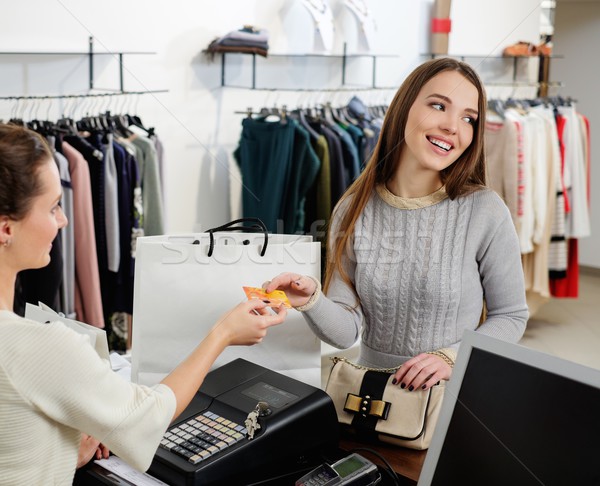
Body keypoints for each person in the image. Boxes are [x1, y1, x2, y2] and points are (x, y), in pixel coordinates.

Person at [0, 124, 287, 484]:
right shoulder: (41, 347)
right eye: (54, 206)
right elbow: (149, 413)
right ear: (6, 228)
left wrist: (56, 453)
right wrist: (223, 333)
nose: (64, 219)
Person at [265, 57, 528, 392]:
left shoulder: (484, 210)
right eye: (438, 105)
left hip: (449, 402)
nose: (453, 126)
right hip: (373, 401)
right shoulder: (353, 207)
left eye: (468, 118)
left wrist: (451, 358)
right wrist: (311, 300)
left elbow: (511, 317)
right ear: (404, 108)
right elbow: (347, 331)